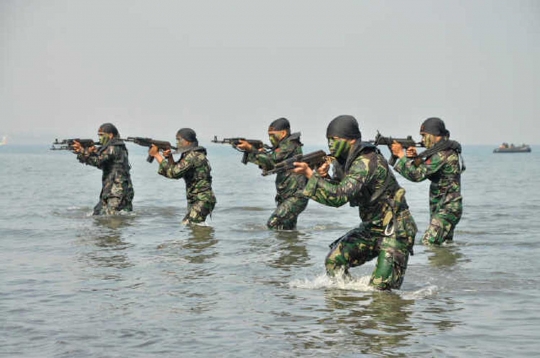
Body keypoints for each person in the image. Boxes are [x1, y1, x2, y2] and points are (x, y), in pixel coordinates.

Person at [292, 115, 417, 290]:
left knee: (381, 291)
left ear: (351, 140)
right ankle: (349, 310)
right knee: (334, 261)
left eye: (334, 140)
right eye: (328, 140)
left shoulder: (366, 161)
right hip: (372, 227)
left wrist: (310, 175)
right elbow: (338, 191)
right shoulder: (345, 162)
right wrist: (323, 176)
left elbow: (338, 196)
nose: (330, 144)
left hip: (395, 229)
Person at [390, 117, 464, 246]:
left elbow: (417, 176)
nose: (422, 140)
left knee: (428, 242)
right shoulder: (442, 151)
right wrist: (417, 159)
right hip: (443, 206)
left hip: (447, 208)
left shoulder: (443, 153)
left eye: (424, 136)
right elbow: (430, 171)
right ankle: (446, 266)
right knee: (444, 246)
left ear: (434, 135)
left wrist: (401, 156)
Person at [236, 118, 309, 230]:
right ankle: (291, 247)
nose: (270, 139)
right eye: (269, 135)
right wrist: (251, 152)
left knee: (273, 223)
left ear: (283, 133)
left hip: (296, 196)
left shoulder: (290, 144)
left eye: (273, 135)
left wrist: (251, 148)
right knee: (285, 230)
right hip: (287, 195)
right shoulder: (282, 147)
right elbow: (268, 164)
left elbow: (272, 160)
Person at [148, 128, 216, 225]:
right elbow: (177, 171)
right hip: (199, 199)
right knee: (193, 228)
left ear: (187, 142)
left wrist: (156, 155)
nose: (177, 142)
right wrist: (169, 157)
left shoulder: (193, 156)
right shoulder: (191, 154)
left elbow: (173, 173)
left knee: (189, 225)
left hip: (202, 199)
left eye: (179, 139)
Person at [72, 123, 134, 215]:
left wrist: (82, 151)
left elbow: (98, 161)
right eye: (99, 135)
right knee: (97, 213)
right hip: (111, 190)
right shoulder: (114, 147)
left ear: (110, 135)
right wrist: (85, 153)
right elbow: (101, 164)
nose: (99, 137)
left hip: (117, 191)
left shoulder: (114, 147)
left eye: (102, 135)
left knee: (112, 219)